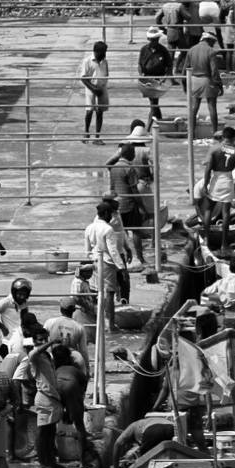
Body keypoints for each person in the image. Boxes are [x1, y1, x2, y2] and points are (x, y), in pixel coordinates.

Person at [13, 329, 63, 468]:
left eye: (45, 339)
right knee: (43, 433)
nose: (43, 342)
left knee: (51, 432)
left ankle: (51, 462)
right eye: (40, 339)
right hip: (44, 397)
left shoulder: (46, 355)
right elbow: (34, 353)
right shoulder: (34, 355)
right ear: (34, 341)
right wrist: (51, 342)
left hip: (53, 398)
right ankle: (44, 464)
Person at [197, 126, 235, 247]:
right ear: (234, 138)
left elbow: (208, 169)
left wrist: (205, 185)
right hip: (228, 181)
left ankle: (206, 238)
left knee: (209, 209)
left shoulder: (214, 149)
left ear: (223, 137)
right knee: (226, 212)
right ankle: (224, 243)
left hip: (216, 180)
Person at [83, 198, 128, 327]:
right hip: (107, 263)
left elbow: (87, 250)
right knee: (109, 293)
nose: (112, 217)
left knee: (96, 291)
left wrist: (93, 259)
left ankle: (98, 322)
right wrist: (121, 267)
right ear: (106, 214)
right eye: (110, 214)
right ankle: (110, 324)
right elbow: (113, 251)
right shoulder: (108, 229)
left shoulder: (89, 228)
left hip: (94, 261)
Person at [107, 142, 146, 267]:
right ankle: (140, 257)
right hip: (129, 204)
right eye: (133, 153)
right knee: (136, 231)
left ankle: (119, 258)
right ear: (130, 154)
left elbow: (108, 163)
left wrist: (118, 154)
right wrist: (142, 206)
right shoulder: (129, 168)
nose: (134, 155)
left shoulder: (113, 167)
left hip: (116, 205)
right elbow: (134, 190)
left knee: (119, 232)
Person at [186, 28, 223, 137]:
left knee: (194, 108)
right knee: (212, 107)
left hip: (194, 80)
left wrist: (185, 85)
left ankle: (191, 133)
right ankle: (215, 133)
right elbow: (214, 71)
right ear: (209, 40)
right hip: (207, 80)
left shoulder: (191, 50)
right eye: (213, 42)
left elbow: (185, 68)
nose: (213, 44)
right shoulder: (210, 51)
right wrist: (219, 84)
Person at [137, 24, 173, 128]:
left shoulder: (163, 50)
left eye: (156, 40)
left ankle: (149, 127)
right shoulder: (144, 49)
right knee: (154, 103)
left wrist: (165, 78)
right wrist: (142, 75)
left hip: (159, 80)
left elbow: (169, 65)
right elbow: (140, 65)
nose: (154, 42)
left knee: (154, 103)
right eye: (152, 40)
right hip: (147, 79)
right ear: (148, 39)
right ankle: (160, 123)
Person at [45, 297, 90, 377]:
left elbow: (42, 341)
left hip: (54, 353)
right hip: (71, 355)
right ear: (74, 310)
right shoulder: (79, 327)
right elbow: (83, 350)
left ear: (61, 309)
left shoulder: (50, 322)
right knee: (81, 365)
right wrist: (87, 368)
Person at [0, 276, 33, 348]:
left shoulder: (24, 302)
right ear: (14, 293)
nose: (22, 297)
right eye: (20, 294)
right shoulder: (6, 302)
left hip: (21, 336)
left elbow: (25, 317)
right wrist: (2, 327)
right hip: (8, 338)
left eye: (24, 295)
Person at [80, 39, 110, 142]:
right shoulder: (87, 61)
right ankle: (86, 132)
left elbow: (106, 74)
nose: (104, 55)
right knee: (89, 111)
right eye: (102, 53)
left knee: (99, 112)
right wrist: (93, 88)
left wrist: (102, 87)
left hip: (101, 89)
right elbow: (83, 78)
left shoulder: (104, 62)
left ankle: (97, 136)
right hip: (91, 89)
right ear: (96, 52)